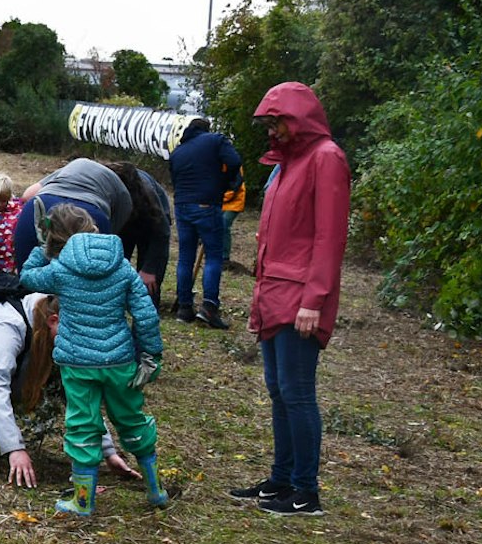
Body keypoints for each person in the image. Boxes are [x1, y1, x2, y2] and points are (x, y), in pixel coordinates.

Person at [235, 82, 350, 518]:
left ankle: (306, 491)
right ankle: (281, 479)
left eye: (277, 121)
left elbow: (329, 237)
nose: (272, 130)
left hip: (301, 296)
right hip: (274, 291)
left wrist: (314, 299)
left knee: (297, 393)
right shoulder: (284, 164)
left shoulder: (326, 159)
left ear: (298, 117)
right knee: (278, 391)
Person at [16, 206, 167, 517]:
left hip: (77, 362)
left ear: (56, 238)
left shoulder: (60, 270)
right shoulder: (122, 266)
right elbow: (145, 313)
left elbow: (27, 277)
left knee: (82, 425)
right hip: (119, 360)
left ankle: (83, 502)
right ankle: (155, 489)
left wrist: (41, 248)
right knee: (132, 420)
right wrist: (151, 355)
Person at [0, 291, 143, 487]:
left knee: (53, 377)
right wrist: (15, 449)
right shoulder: (5, 327)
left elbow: (79, 394)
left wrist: (108, 452)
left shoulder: (47, 323)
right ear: (54, 321)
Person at [167, 116, 243, 328]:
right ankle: (209, 307)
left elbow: (174, 179)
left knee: (185, 257)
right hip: (207, 205)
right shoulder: (215, 140)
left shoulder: (177, 152)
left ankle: (184, 307)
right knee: (214, 256)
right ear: (206, 129)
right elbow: (235, 161)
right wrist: (226, 183)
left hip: (182, 205)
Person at [11, 156, 133, 268]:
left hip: (42, 203)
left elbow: (27, 195)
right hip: (91, 212)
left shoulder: (73, 166)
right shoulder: (120, 188)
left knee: (27, 277)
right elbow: (119, 222)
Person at [106, 161, 171, 304]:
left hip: (151, 227)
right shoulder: (107, 188)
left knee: (147, 285)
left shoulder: (148, 196)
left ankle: (146, 315)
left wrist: (150, 269)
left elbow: (162, 234)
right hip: (123, 226)